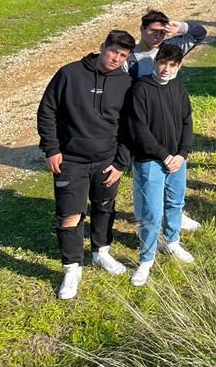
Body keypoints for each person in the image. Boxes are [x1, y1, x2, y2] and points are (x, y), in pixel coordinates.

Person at [37, 29, 136, 300]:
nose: (116, 58)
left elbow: (130, 127)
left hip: (107, 160)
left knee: (104, 206)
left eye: (123, 55)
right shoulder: (69, 74)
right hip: (70, 160)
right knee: (70, 215)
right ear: (102, 46)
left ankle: (101, 252)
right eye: (113, 51)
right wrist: (51, 149)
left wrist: (121, 162)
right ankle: (72, 268)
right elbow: (47, 111)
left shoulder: (125, 82)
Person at [124, 10, 205, 232]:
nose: (158, 36)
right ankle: (144, 219)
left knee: (172, 179)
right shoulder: (130, 58)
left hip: (170, 118)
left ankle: (175, 215)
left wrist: (182, 27)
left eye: (162, 32)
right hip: (142, 123)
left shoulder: (170, 49)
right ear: (142, 29)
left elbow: (200, 33)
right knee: (143, 178)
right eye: (153, 31)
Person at [126, 43, 195, 286]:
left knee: (175, 203)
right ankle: (146, 258)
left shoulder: (178, 88)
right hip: (150, 160)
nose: (166, 69)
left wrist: (182, 154)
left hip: (177, 160)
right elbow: (139, 129)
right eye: (163, 63)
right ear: (155, 62)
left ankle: (172, 241)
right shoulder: (141, 88)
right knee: (152, 212)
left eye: (172, 65)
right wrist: (164, 156)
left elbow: (187, 122)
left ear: (179, 66)